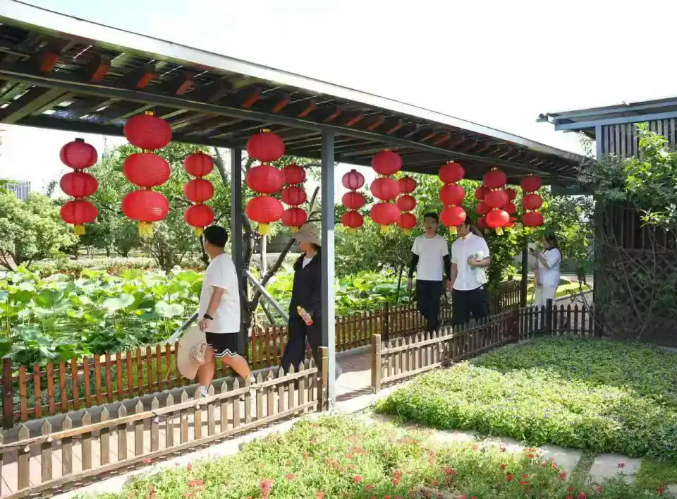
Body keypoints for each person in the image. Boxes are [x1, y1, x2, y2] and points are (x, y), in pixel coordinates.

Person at [196, 225, 252, 398]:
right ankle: (203, 390)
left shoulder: (221, 262)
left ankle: (252, 383)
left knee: (227, 356)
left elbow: (218, 292)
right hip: (215, 322)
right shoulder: (218, 262)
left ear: (207, 242)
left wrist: (207, 316)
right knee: (207, 354)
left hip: (221, 321)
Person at [281, 224, 323, 371]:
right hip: (297, 309)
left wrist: (310, 311)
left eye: (301, 239)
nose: (299, 242)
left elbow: (319, 288)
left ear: (310, 242)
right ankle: (287, 374)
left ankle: (329, 373)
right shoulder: (300, 262)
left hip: (313, 311)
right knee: (294, 343)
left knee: (317, 344)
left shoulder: (320, 262)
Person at [407, 213, 452, 332]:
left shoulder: (441, 240)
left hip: (436, 279)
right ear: (423, 223)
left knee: (434, 305)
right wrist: (410, 277)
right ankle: (435, 323)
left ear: (436, 224)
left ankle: (432, 330)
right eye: (426, 222)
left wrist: (449, 278)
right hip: (421, 278)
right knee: (421, 306)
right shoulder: (418, 240)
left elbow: (447, 261)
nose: (429, 225)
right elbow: (414, 260)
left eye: (432, 222)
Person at [450, 217, 491, 325]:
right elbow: (454, 265)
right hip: (459, 287)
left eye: (461, 225)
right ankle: (461, 336)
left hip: (476, 285)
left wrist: (475, 263)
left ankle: (487, 335)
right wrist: (452, 283)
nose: (458, 228)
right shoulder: (455, 244)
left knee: (483, 319)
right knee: (459, 322)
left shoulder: (478, 241)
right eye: (456, 226)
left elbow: (487, 261)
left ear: (468, 226)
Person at [532, 233, 562, 307]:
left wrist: (538, 255)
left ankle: (547, 315)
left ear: (551, 241)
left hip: (550, 282)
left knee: (547, 305)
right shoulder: (544, 251)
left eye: (545, 240)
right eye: (543, 240)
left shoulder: (555, 252)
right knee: (538, 305)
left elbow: (548, 265)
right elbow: (538, 264)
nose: (543, 242)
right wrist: (536, 256)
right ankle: (538, 315)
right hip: (541, 281)